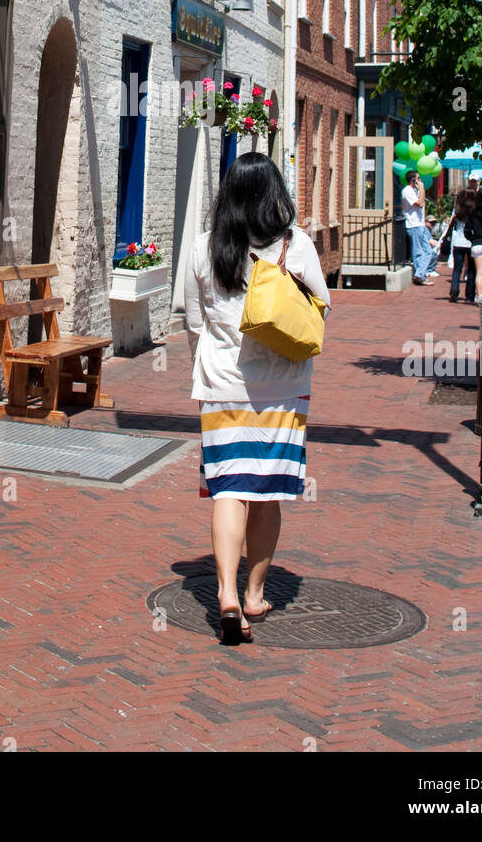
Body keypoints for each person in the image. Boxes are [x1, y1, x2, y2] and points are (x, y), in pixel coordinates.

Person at [184, 152, 330, 646]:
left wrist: (203, 367)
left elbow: (192, 322)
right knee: (266, 493)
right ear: (274, 194)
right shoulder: (296, 246)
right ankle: (253, 594)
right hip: (283, 390)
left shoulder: (204, 248)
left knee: (228, 489)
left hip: (220, 385)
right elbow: (319, 316)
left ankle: (223, 595)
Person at [401, 169, 433, 285]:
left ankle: (420, 274)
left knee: (428, 251)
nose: (420, 181)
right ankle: (420, 276)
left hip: (420, 224)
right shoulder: (407, 191)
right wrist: (422, 190)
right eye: (418, 179)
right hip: (413, 224)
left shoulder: (414, 191)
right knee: (418, 252)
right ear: (413, 180)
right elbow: (419, 203)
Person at [447, 188, 477, 303]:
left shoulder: (458, 210)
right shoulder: (474, 211)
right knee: (471, 270)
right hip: (470, 242)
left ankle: (454, 289)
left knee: (457, 269)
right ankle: (470, 294)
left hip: (458, 242)